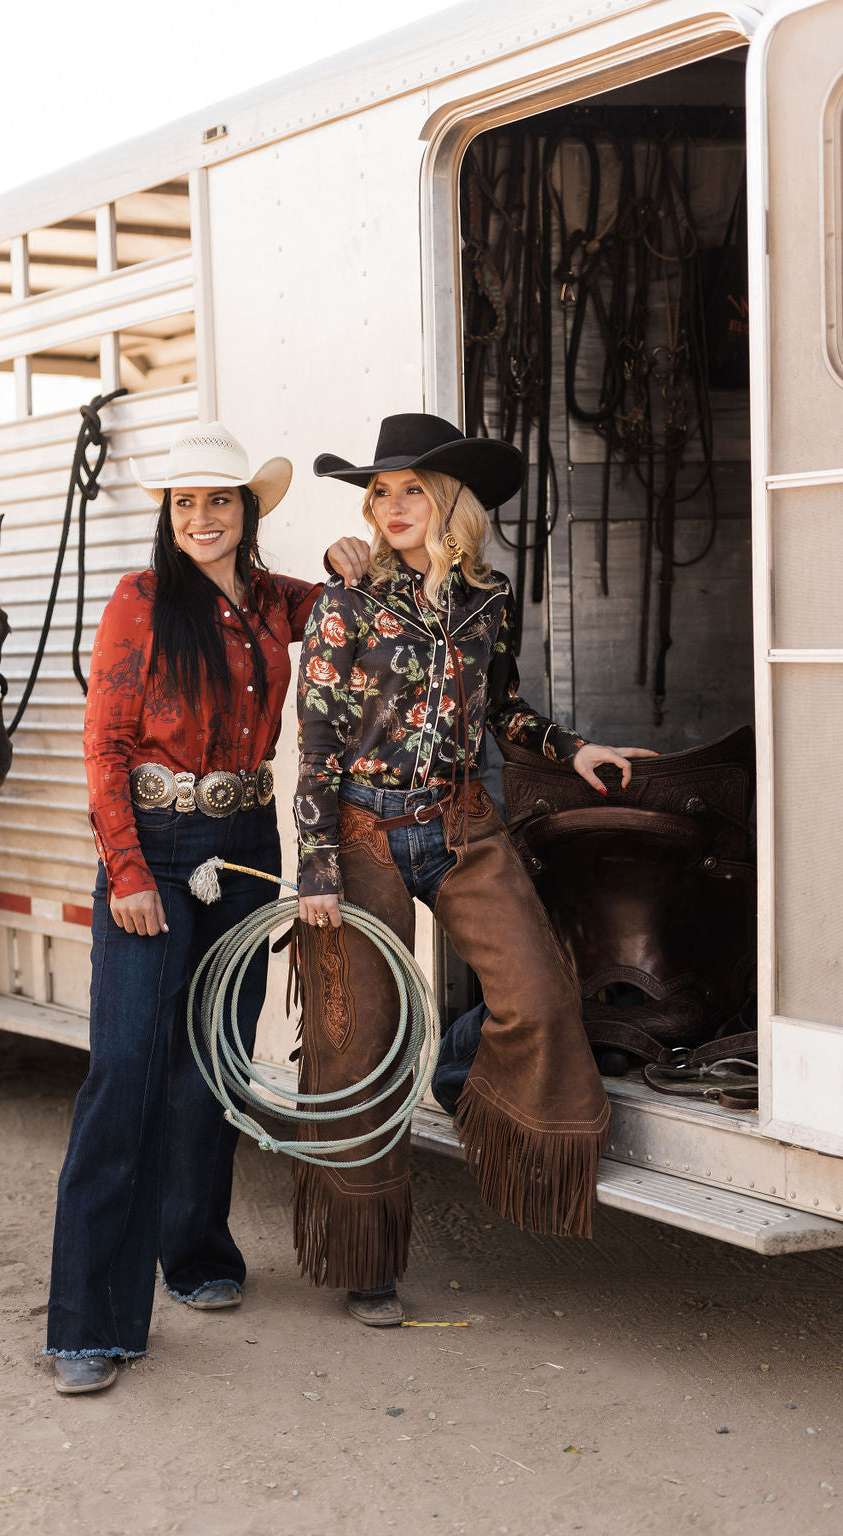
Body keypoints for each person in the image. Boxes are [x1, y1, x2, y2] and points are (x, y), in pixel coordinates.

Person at [292, 413, 655, 1326]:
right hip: (363, 828)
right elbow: (318, 745)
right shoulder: (344, 603)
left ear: (450, 501)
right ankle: (367, 1263)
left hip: (460, 822)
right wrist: (317, 866)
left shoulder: (490, 599)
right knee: (354, 1044)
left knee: (537, 994)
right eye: (381, 491)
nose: (393, 505)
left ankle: (458, 1081)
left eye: (413, 488)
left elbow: (501, 704)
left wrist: (567, 747)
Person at [46, 422, 367, 1393]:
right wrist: (128, 872)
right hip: (155, 842)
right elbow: (103, 748)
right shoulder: (139, 603)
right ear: (168, 515)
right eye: (185, 503)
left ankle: (194, 1256)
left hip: (244, 843)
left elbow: (352, 608)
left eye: (219, 500)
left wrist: (350, 558)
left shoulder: (275, 601)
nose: (201, 517)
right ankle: (88, 1324)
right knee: (129, 1067)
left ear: (247, 510)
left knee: (213, 1061)